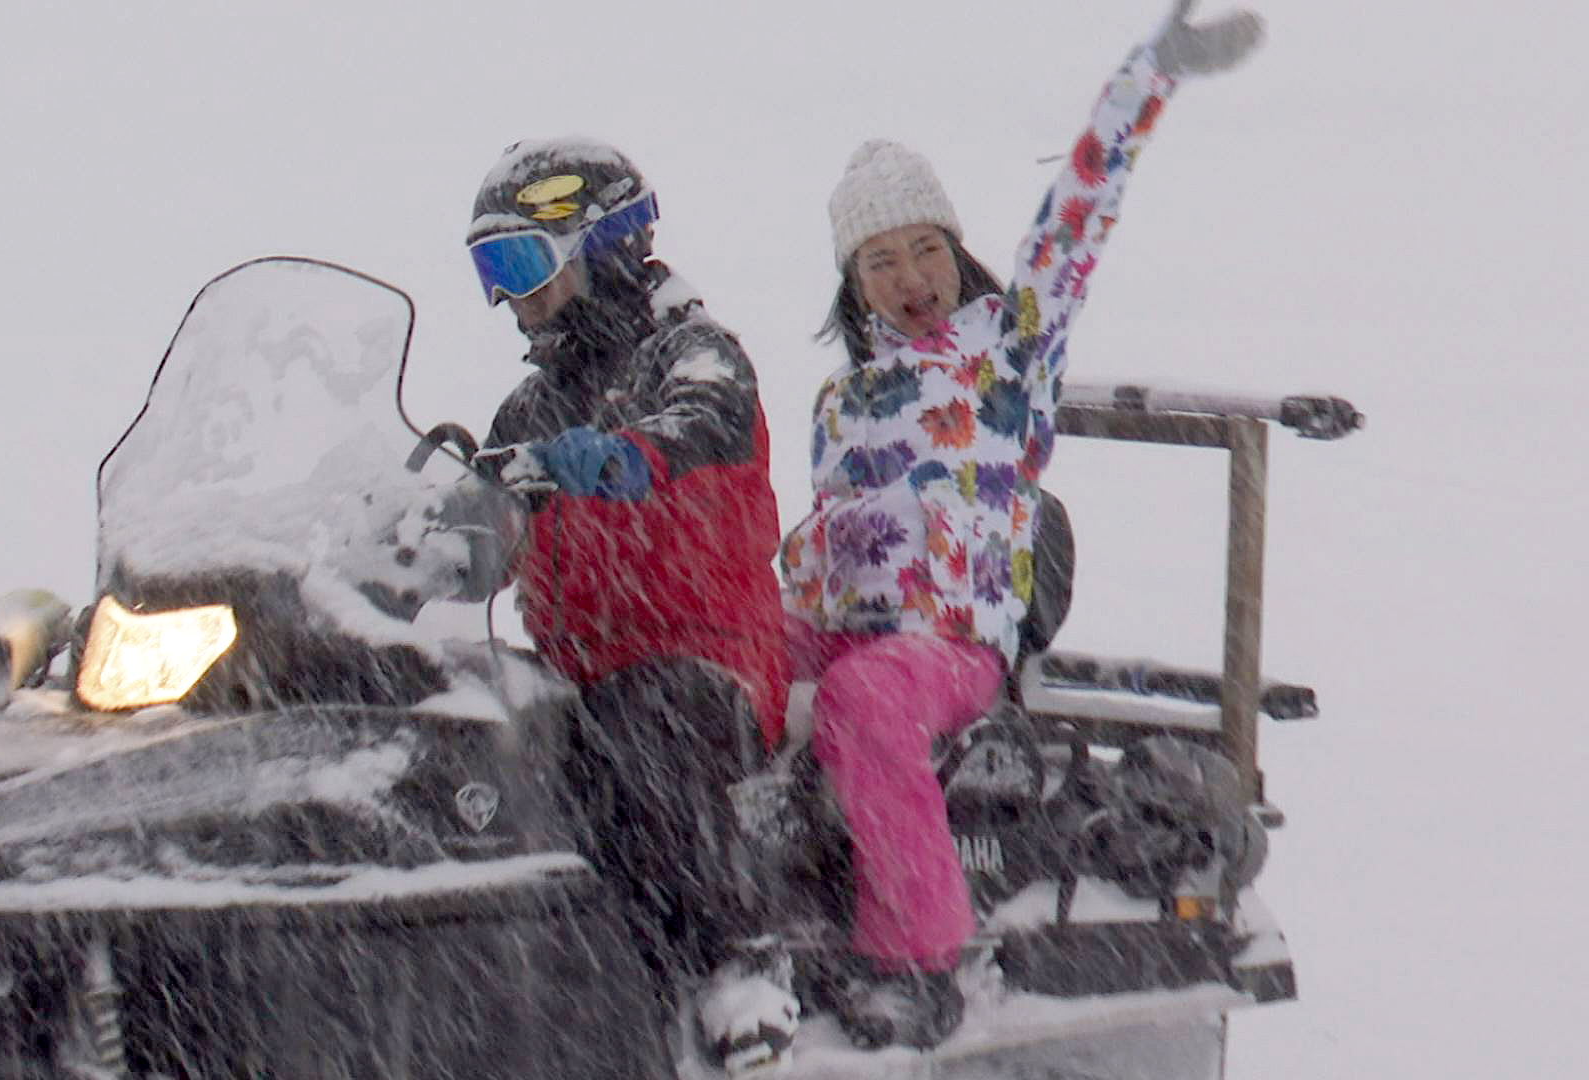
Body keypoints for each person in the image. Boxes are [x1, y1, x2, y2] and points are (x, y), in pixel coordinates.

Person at [777, 0, 1265, 1049]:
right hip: (853, 631)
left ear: (955, 251)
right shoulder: (843, 401)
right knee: (723, 651)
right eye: (880, 261)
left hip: (954, 649)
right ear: (853, 283)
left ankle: (921, 955)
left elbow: (1079, 212)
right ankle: (736, 917)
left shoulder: (1012, 346)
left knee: (864, 699)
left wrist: (1151, 74)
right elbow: (825, 551)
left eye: (924, 249)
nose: (910, 279)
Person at [464, 137, 798, 1071]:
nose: (511, 296)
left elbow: (703, 418)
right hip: (572, 674)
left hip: (708, 663)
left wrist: (627, 455)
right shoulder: (529, 409)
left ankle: (740, 966)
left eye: (521, 262)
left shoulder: (693, 354)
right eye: (492, 273)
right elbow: (475, 515)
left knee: (647, 726)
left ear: (603, 243)